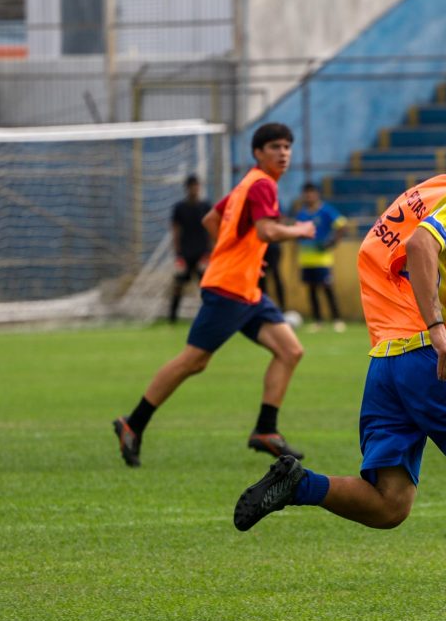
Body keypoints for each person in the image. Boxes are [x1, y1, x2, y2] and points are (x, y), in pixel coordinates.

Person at [230, 116, 446, 621]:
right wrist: (435, 330)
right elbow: (420, 247)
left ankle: (300, 484)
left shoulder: (434, 190)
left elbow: (380, 251)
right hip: (425, 357)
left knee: (390, 504)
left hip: (387, 362)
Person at [112, 123, 316, 467]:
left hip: (247, 290)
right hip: (230, 290)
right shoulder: (262, 185)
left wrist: (242, 254)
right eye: (275, 147)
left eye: (287, 147)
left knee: (290, 350)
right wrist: (300, 229)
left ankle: (266, 429)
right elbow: (266, 230)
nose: (283, 153)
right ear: (258, 152)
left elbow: (212, 219)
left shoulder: (247, 184)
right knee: (194, 360)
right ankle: (133, 423)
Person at [294, 181, 351, 332]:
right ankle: (317, 321)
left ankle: (337, 320)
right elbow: (297, 233)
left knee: (327, 289)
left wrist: (332, 242)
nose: (309, 196)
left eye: (311, 192)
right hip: (306, 259)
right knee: (311, 291)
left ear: (317, 194)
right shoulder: (302, 213)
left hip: (323, 259)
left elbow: (342, 225)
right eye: (306, 193)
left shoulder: (326, 210)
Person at [167, 174, 213, 324]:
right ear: (187, 188)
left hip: (202, 254)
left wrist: (209, 253)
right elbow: (175, 231)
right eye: (192, 186)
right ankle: (172, 318)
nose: (195, 189)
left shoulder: (206, 206)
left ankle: (209, 316)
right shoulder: (179, 208)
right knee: (178, 285)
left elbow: (212, 230)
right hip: (185, 254)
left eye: (197, 186)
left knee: (206, 287)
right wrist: (178, 254)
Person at [260, 242, 287, 311]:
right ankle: (263, 307)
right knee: (262, 279)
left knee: (274, 276)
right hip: (262, 247)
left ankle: (282, 307)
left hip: (271, 247)